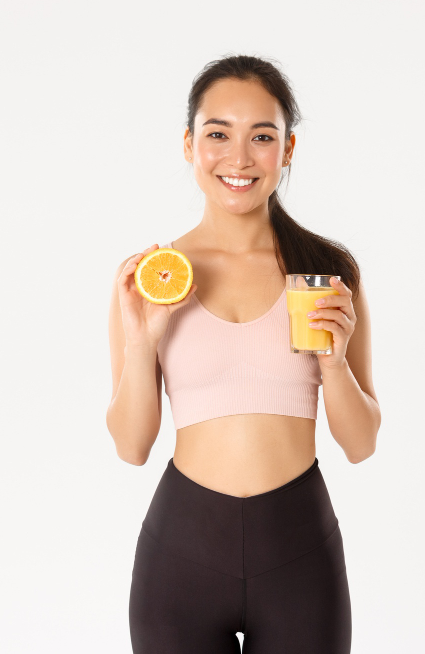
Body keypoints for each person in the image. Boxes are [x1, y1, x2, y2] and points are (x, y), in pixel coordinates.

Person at [106, 54, 381, 654]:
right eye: (218, 135)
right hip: (180, 553)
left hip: (299, 553)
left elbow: (361, 444)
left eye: (262, 136)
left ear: (287, 150)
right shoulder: (153, 279)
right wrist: (141, 341)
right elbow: (131, 447)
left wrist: (333, 364)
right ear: (188, 144)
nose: (239, 158)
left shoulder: (326, 274)